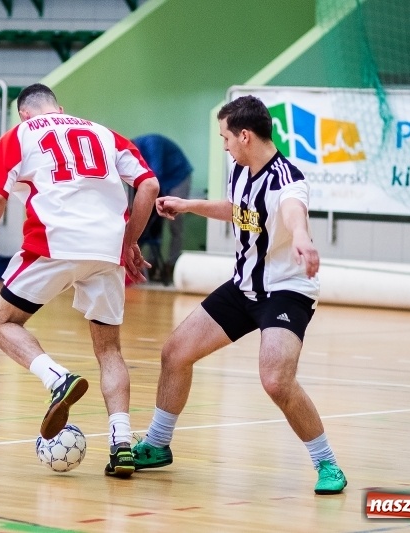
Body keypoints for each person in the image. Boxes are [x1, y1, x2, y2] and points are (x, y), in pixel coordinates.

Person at [131, 95, 347, 495]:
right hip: (243, 286)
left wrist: (302, 238)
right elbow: (237, 209)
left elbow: (293, 213)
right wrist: (189, 205)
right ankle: (157, 445)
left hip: (286, 292)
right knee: (175, 352)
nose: (224, 145)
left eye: (226, 138)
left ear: (244, 136)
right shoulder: (240, 168)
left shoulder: (288, 180)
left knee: (276, 381)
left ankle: (327, 464)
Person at [0, 83, 159, 478]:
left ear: (24, 114)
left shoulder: (21, 134)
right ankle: (121, 443)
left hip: (55, 243)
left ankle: (58, 379)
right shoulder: (103, 133)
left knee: (0, 323)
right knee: (109, 350)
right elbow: (148, 185)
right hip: (106, 249)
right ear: (60, 107)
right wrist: (130, 241)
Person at [132, 134, 193, 285]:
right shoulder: (135, 152)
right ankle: (152, 265)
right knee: (152, 222)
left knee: (175, 222)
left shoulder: (152, 144)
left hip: (178, 177)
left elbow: (155, 174)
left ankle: (171, 265)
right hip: (161, 181)